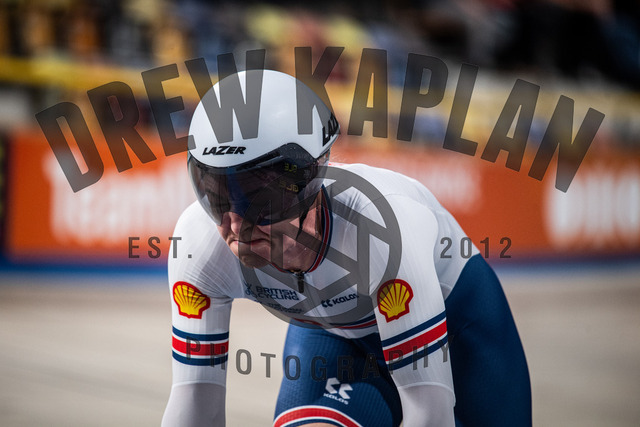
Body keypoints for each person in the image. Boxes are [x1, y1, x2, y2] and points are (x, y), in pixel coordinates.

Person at [161, 69, 531, 427]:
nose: (235, 225)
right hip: (336, 334)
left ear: (310, 180)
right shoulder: (199, 242)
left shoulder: (381, 229)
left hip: (458, 324)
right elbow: (194, 404)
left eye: (258, 200)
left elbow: (432, 416)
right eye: (217, 197)